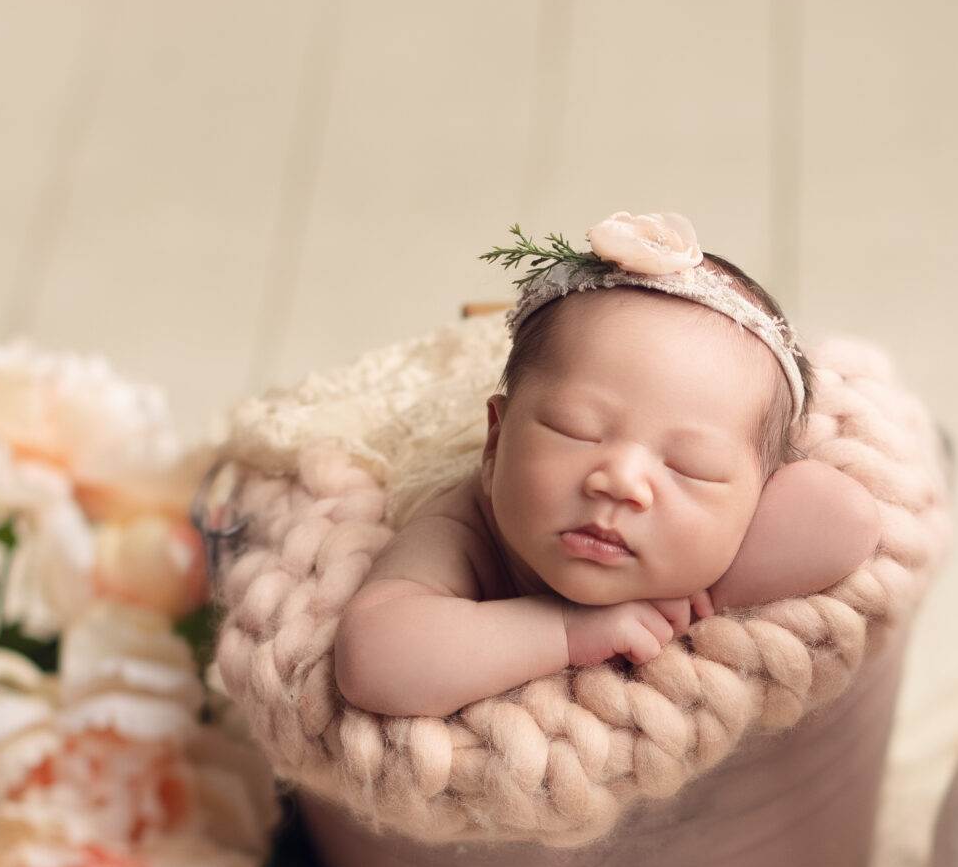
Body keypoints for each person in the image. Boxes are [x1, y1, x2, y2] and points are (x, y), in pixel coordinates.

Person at [334, 213, 881, 720]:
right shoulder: (463, 529)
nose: (621, 481)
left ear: (759, 497)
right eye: (577, 431)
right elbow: (373, 659)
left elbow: (844, 517)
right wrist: (568, 632)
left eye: (691, 468)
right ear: (496, 440)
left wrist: (695, 598)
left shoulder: (712, 546)